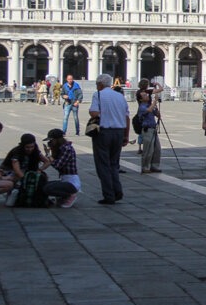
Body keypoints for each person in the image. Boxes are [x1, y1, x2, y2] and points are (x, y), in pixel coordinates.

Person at [89, 74, 129, 205]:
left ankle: (109, 195)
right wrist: (126, 135)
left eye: (96, 84)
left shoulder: (98, 95)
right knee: (114, 164)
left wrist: (103, 114)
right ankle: (118, 191)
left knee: (103, 165)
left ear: (100, 84)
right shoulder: (120, 96)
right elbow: (127, 117)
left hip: (104, 133)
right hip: (118, 132)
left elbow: (93, 112)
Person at [44, 128, 81, 207]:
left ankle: (70, 195)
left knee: (48, 189)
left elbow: (58, 165)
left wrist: (49, 155)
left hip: (71, 182)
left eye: (51, 140)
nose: (50, 142)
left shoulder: (67, 149)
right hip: (64, 179)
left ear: (57, 140)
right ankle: (62, 197)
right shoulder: (60, 149)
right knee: (44, 185)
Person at [135, 86, 161, 174]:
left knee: (157, 149)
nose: (147, 96)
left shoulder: (149, 105)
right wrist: (155, 101)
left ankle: (154, 165)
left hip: (153, 128)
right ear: (141, 99)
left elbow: (155, 113)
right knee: (148, 150)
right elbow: (149, 110)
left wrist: (157, 112)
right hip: (147, 129)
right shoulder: (141, 107)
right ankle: (145, 166)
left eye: (146, 94)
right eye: (144, 95)